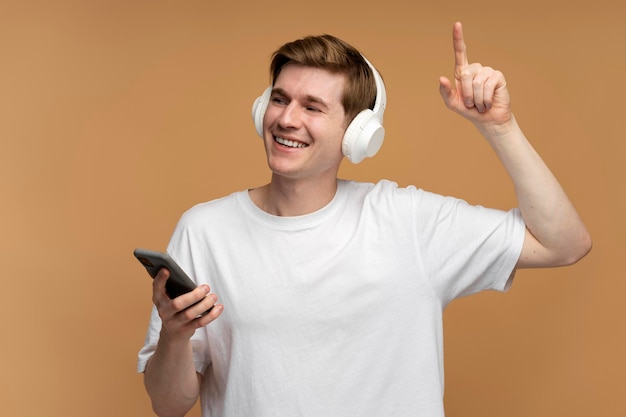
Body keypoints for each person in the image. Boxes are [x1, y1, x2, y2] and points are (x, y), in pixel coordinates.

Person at [137, 22, 591, 417]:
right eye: (279, 99)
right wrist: (175, 338)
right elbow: (168, 404)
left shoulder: (409, 222)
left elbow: (564, 244)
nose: (287, 119)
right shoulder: (205, 230)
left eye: (313, 107)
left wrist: (500, 127)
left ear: (358, 134)